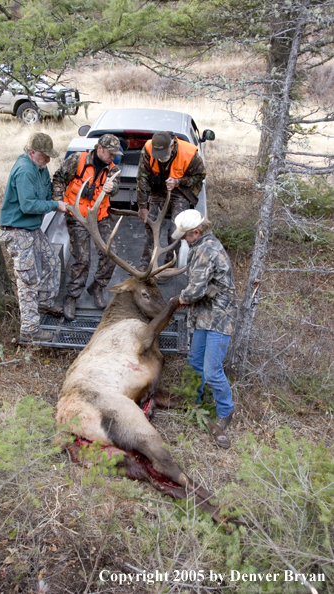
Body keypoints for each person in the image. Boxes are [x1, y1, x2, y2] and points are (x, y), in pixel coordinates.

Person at [172, 210, 238, 449]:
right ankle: (193, 399)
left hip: (219, 317)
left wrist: (179, 299)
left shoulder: (206, 250)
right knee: (194, 359)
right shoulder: (200, 245)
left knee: (211, 370)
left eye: (185, 236)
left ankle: (225, 410)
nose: (182, 240)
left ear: (196, 232)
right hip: (204, 314)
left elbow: (196, 290)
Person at [0, 133, 68, 344]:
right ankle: (29, 330)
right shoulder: (24, 171)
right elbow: (28, 205)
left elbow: (46, 194)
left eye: (49, 156)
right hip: (17, 230)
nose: (48, 160)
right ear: (32, 153)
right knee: (28, 280)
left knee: (51, 262)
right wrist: (55, 206)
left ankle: (45, 303)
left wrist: (57, 199)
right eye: (44, 156)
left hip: (32, 229)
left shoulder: (40, 168)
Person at [52, 134, 121, 321]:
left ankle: (97, 286)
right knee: (83, 259)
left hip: (100, 216)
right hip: (78, 216)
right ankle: (72, 297)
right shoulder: (78, 160)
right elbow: (58, 178)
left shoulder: (114, 169)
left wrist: (111, 187)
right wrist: (59, 201)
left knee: (111, 253)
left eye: (116, 153)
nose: (113, 157)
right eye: (110, 153)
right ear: (100, 149)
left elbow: (116, 189)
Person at [137, 131, 205, 271]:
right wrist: (143, 206)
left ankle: (169, 265)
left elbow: (200, 176)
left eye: (163, 153)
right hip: (159, 189)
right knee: (151, 224)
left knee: (176, 231)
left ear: (172, 146)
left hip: (181, 192)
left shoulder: (189, 154)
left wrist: (178, 181)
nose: (160, 157)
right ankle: (145, 264)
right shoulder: (148, 148)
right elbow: (142, 178)